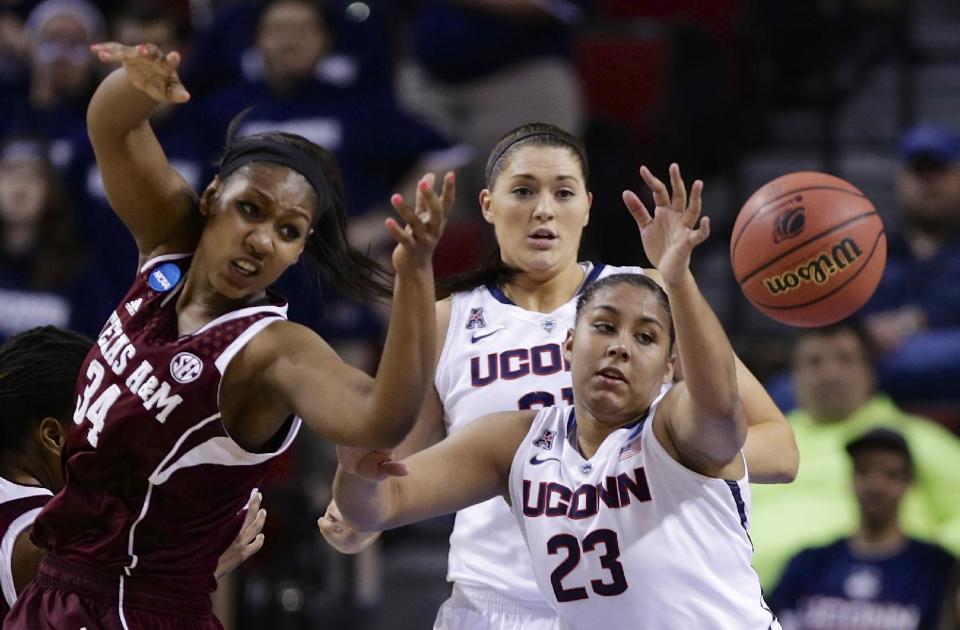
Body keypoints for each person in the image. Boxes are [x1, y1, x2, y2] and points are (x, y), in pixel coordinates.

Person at [3, 39, 452, 630]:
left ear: (298, 253)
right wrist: (136, 84)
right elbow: (111, 129)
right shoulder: (168, 245)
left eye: (289, 231)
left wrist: (415, 277)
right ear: (214, 197)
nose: (264, 239)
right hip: (58, 591)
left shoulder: (270, 351)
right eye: (252, 210)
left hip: (140, 610)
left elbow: (380, 419)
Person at [319, 124, 797, 629]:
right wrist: (357, 508)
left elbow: (777, 449)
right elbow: (392, 471)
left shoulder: (645, 296)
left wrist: (673, 460)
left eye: (563, 192)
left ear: (587, 207)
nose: (543, 209)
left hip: (640, 594)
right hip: (496, 603)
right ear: (487, 204)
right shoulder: (454, 327)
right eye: (524, 191)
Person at [0, 326, 268, 621]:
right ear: (54, 436)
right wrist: (201, 565)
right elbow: (118, 609)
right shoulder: (34, 540)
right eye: (102, 419)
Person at [750, 321, 960, 589]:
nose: (830, 373)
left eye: (845, 359)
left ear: (870, 371)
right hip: (747, 603)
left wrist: (929, 568)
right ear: (795, 375)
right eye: (814, 362)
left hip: (877, 601)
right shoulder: (766, 439)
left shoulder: (915, 438)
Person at [769, 427, 959, 630]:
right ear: (850, 479)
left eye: (891, 474)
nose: (876, 484)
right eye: (864, 471)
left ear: (909, 483)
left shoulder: (937, 568)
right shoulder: (809, 563)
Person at [860, 122, 960, 408]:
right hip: (872, 375)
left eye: (939, 172)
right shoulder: (872, 251)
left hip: (902, 364)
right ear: (900, 180)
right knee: (785, 388)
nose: (928, 184)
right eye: (918, 172)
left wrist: (910, 323)